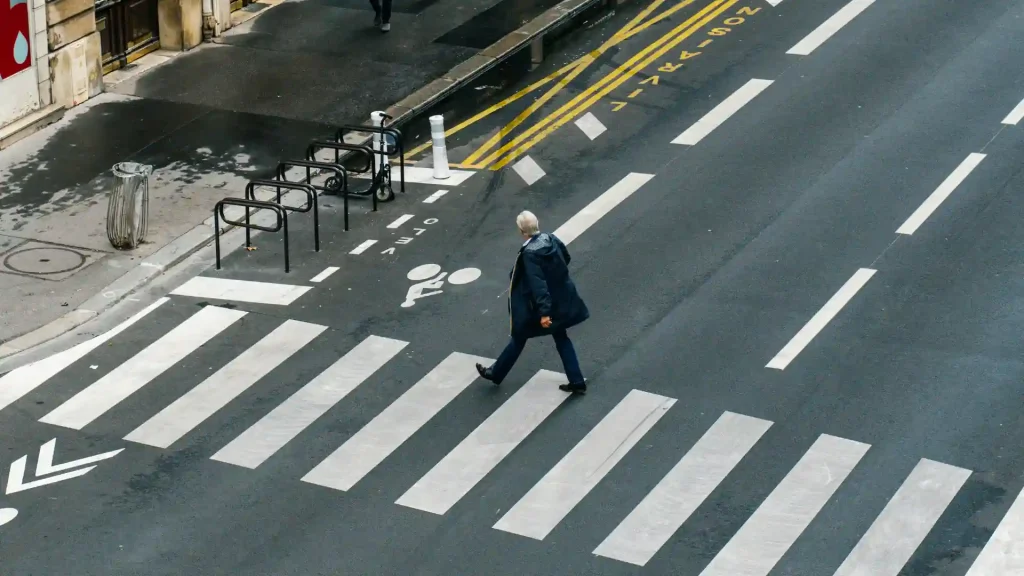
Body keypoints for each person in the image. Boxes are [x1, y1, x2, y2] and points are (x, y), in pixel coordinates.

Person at [476, 211, 590, 393]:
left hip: (541, 305)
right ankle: (576, 381)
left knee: (520, 335)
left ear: (522, 231)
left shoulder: (529, 253)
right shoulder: (551, 239)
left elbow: (538, 285)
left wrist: (545, 313)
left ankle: (496, 373)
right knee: (561, 337)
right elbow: (565, 257)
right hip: (561, 298)